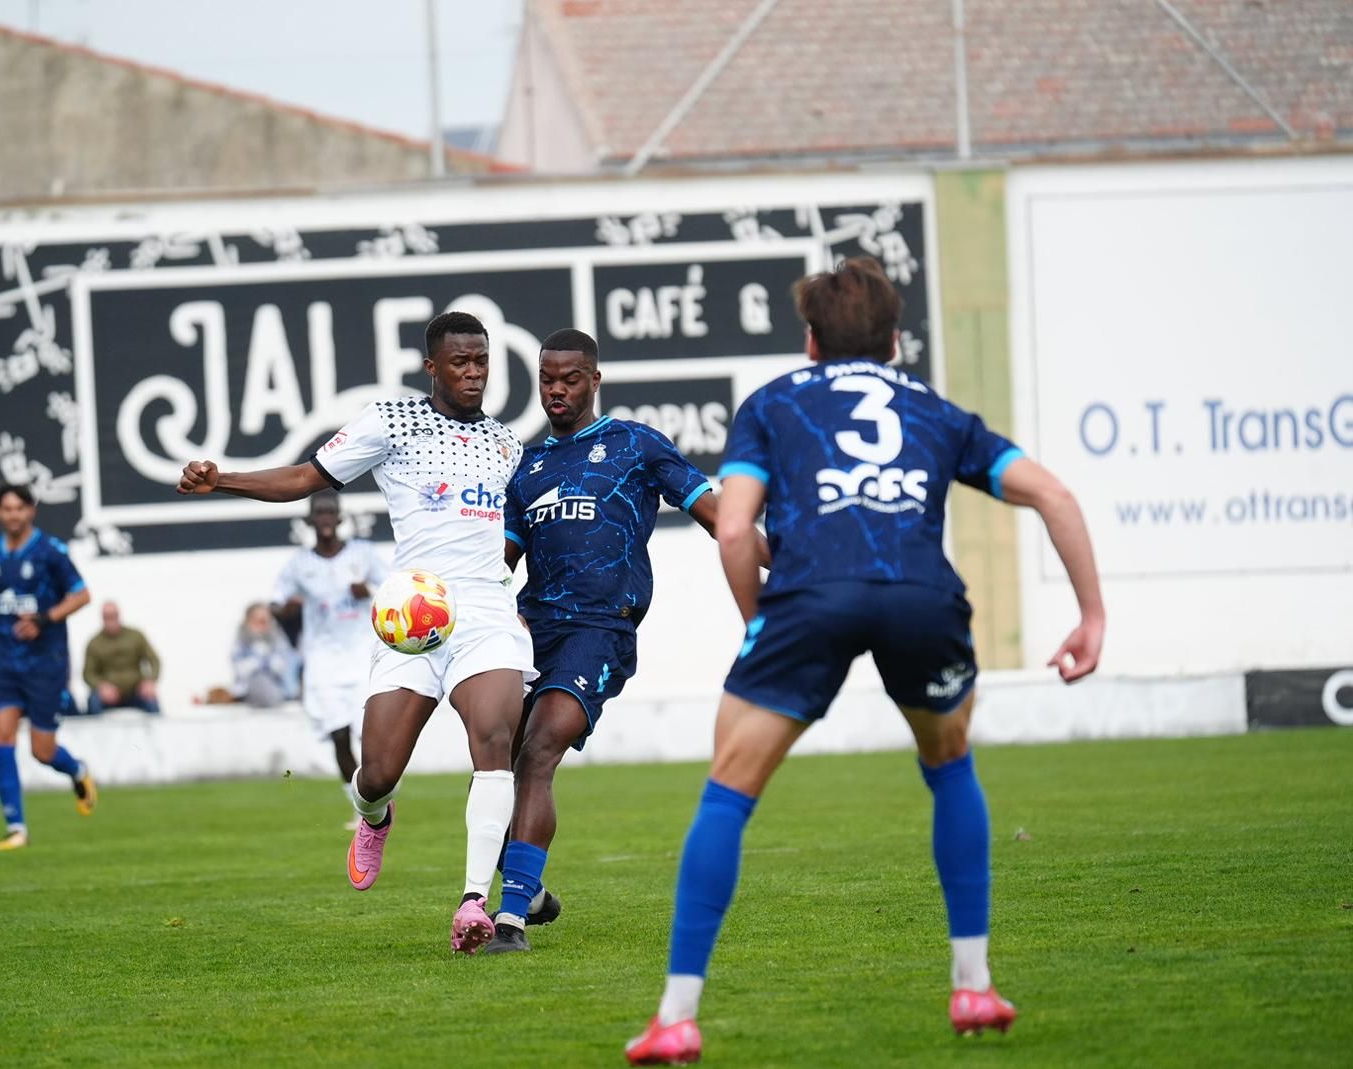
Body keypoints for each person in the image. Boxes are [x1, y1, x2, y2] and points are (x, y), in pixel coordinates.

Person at [625, 258, 1106, 1064]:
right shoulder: (937, 410)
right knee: (950, 764)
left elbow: (735, 530)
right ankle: (974, 983)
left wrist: (759, 625)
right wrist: (1091, 616)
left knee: (729, 791)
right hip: (922, 598)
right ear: (894, 341)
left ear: (810, 341)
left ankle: (677, 1015)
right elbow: (1054, 494)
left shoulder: (772, 403)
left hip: (809, 597)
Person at [178, 310, 536, 954]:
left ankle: (473, 902)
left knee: (494, 738)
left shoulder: (507, 442)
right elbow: (303, 478)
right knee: (376, 772)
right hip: (414, 618)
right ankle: (375, 815)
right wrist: (222, 479)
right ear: (432, 367)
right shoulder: (391, 420)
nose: (474, 372)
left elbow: (519, 532)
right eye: (460, 362)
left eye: (482, 360)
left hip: (485, 612)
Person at [485, 328, 753, 954]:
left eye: (570, 378)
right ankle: (531, 890)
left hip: (600, 629)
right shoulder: (527, 468)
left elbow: (721, 519)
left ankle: (511, 920)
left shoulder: (635, 445)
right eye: (547, 378)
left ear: (595, 380)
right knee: (496, 768)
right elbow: (500, 566)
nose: (556, 389)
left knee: (541, 747)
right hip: (529, 632)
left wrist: (784, 561)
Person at [0, 482, 99, 851]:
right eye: (7, 509)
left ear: (31, 511)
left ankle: (77, 770)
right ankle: (16, 828)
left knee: (42, 751)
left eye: (19, 508)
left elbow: (82, 595)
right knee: (2, 735)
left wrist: (45, 619)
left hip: (45, 662)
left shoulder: (51, 551)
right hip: (4, 661)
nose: (13, 515)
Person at [272, 491, 387, 828]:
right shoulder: (299, 564)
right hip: (322, 659)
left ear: (339, 517)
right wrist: (287, 609)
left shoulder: (362, 554)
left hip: (362, 654)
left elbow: (395, 589)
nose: (324, 518)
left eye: (330, 512)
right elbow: (276, 603)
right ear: (310, 520)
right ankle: (361, 808)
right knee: (338, 734)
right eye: (319, 513)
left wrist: (368, 592)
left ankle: (380, 792)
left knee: (369, 734)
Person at [82, 601, 162, 714]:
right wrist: (101, 686)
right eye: (107, 617)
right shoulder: (94, 643)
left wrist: (150, 681)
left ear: (119, 615)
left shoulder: (136, 636)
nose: (111, 620)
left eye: (113, 615)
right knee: (93, 702)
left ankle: (157, 724)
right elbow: (88, 673)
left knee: (151, 701)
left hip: (135, 690)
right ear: (102, 618)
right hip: (108, 693)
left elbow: (154, 660)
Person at [229, 602, 301, 707]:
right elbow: (242, 669)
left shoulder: (277, 638)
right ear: (249, 620)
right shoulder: (241, 640)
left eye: (266, 621)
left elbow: (283, 665)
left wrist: (263, 662)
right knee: (260, 680)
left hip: (278, 686)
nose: (263, 625)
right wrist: (263, 661)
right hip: (249, 688)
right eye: (259, 621)